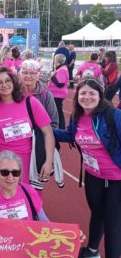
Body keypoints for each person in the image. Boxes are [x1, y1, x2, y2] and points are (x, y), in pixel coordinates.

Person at [53, 79, 121, 258]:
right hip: (93, 176)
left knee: (112, 223)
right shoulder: (77, 116)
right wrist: (45, 129)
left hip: (116, 179)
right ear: (77, 96)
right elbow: (70, 136)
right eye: (83, 93)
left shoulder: (114, 115)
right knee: (96, 214)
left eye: (92, 93)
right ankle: (92, 251)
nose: (87, 97)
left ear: (100, 95)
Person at [0, 67, 54, 184]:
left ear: (14, 82)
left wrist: (48, 161)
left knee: (25, 196)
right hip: (0, 161)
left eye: (8, 81)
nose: (4, 85)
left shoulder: (31, 103)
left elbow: (48, 133)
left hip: (26, 160)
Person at [0, 150, 49, 258]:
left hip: (28, 249)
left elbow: (45, 222)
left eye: (15, 173)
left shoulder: (29, 192)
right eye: (5, 172)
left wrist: (70, 235)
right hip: (1, 251)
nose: (10, 177)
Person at [19, 59, 59, 129]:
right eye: (25, 73)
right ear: (20, 75)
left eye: (32, 73)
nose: (28, 76)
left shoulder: (47, 95)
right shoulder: (15, 93)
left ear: (37, 76)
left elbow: (53, 122)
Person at [48, 54, 69, 129]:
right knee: (57, 110)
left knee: (58, 111)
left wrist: (52, 76)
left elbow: (60, 83)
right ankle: (60, 127)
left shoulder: (62, 70)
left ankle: (61, 127)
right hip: (56, 94)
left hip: (58, 94)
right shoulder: (61, 69)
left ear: (57, 61)